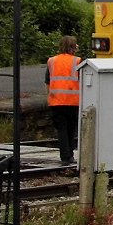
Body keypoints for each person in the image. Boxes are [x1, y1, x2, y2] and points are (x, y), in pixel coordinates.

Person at [44, 35, 82, 164]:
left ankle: (65, 157)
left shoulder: (52, 61)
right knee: (71, 129)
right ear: (73, 47)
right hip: (73, 101)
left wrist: (49, 97)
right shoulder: (78, 61)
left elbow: (47, 82)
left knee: (61, 130)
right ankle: (69, 155)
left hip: (56, 101)